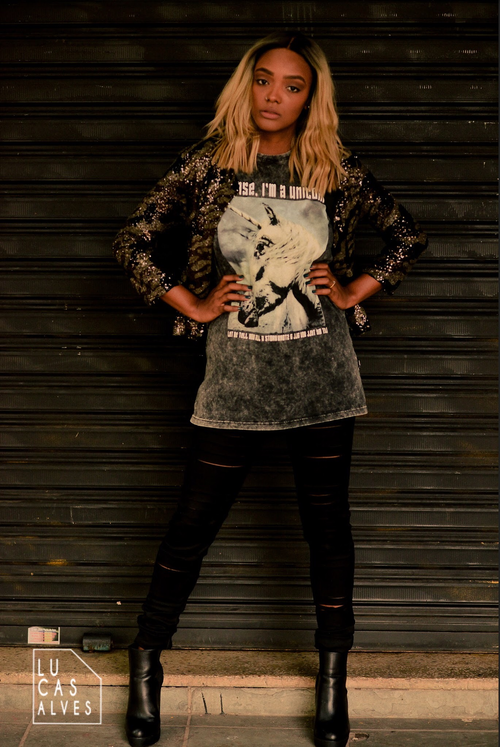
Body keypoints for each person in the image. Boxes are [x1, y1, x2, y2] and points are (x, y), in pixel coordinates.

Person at [113, 32, 428, 747]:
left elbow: (407, 236)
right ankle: (146, 660)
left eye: (292, 85)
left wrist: (350, 289)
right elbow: (131, 240)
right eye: (263, 80)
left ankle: (332, 683)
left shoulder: (333, 169)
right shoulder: (209, 165)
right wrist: (193, 303)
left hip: (323, 379)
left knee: (328, 534)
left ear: (311, 99)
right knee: (191, 527)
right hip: (236, 381)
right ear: (245, 85)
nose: (273, 96)